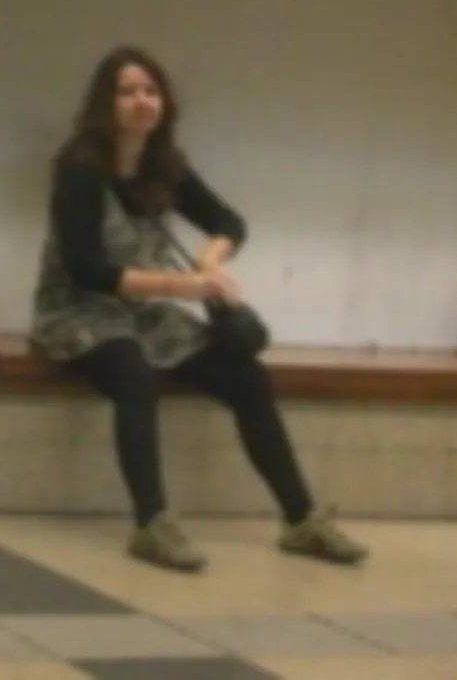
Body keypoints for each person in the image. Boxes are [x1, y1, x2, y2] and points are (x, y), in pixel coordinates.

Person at [30, 46, 368, 573]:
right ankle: (152, 524)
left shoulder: (165, 166)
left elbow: (229, 222)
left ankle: (302, 519)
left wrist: (211, 264)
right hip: (78, 311)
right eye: (127, 91)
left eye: (150, 90)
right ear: (105, 103)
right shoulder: (80, 169)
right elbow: (85, 269)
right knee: (134, 374)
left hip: (143, 311)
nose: (142, 101)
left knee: (247, 376)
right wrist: (184, 286)